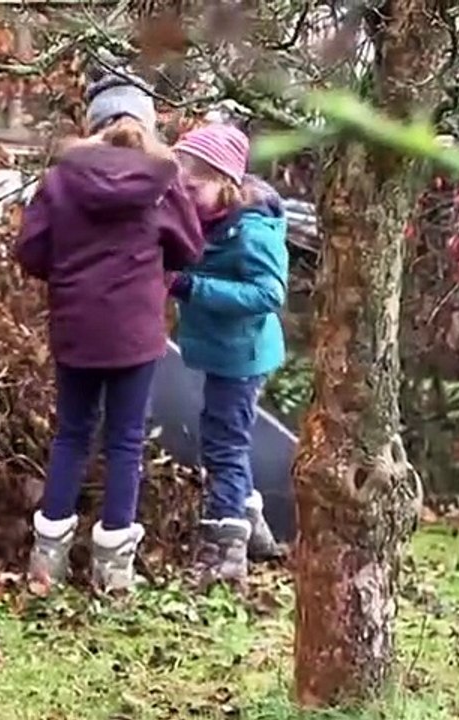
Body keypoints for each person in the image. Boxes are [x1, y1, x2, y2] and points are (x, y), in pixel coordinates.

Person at [15, 70, 204, 593]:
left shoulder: (59, 180)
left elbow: (30, 251)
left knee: (72, 434)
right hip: (135, 332)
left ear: (92, 121)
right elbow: (189, 249)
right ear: (147, 120)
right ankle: (112, 570)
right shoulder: (164, 180)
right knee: (125, 441)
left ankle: (46, 564)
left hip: (76, 326)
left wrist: (69, 271)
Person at [168, 123, 290, 587]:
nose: (185, 196)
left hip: (242, 355)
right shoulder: (207, 218)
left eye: (192, 188)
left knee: (224, 445)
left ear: (226, 183)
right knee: (223, 438)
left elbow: (267, 293)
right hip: (218, 351)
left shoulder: (252, 231)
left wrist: (189, 285)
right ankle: (253, 527)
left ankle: (225, 551)